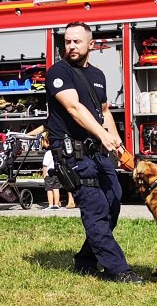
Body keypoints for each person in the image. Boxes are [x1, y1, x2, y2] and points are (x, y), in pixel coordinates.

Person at [46, 21, 140, 282]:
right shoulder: (59, 71)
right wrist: (103, 136)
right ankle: (118, 269)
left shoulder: (98, 75)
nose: (71, 46)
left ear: (90, 44)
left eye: (77, 41)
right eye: (67, 41)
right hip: (72, 153)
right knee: (96, 207)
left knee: (114, 198)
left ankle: (86, 260)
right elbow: (74, 108)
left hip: (98, 151)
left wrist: (120, 148)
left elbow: (105, 113)